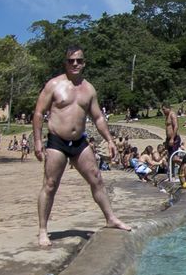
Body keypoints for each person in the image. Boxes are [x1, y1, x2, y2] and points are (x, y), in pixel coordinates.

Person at [34, 46, 133, 247]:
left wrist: (109, 140)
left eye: (79, 60)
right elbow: (38, 113)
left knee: (96, 179)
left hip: (79, 142)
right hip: (57, 141)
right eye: (71, 61)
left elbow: (98, 117)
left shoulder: (89, 89)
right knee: (50, 184)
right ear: (66, 63)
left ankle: (110, 218)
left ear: (84, 63)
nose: (75, 64)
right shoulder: (54, 85)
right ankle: (43, 230)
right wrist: (37, 140)